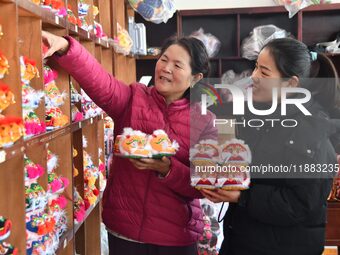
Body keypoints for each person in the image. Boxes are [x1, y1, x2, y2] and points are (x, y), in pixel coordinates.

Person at [42, 31, 217, 255]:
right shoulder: (133, 98)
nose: (166, 68)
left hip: (176, 237)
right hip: (126, 232)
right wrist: (65, 47)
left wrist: (167, 169)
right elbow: (99, 80)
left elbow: (206, 184)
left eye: (177, 65)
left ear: (196, 78)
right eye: (163, 59)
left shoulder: (206, 122)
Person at [202, 38, 340, 255]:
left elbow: (302, 204)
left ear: (291, 83)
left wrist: (242, 196)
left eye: (265, 73)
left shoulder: (311, 128)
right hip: (243, 238)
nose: (254, 76)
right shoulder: (257, 117)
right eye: (256, 66)